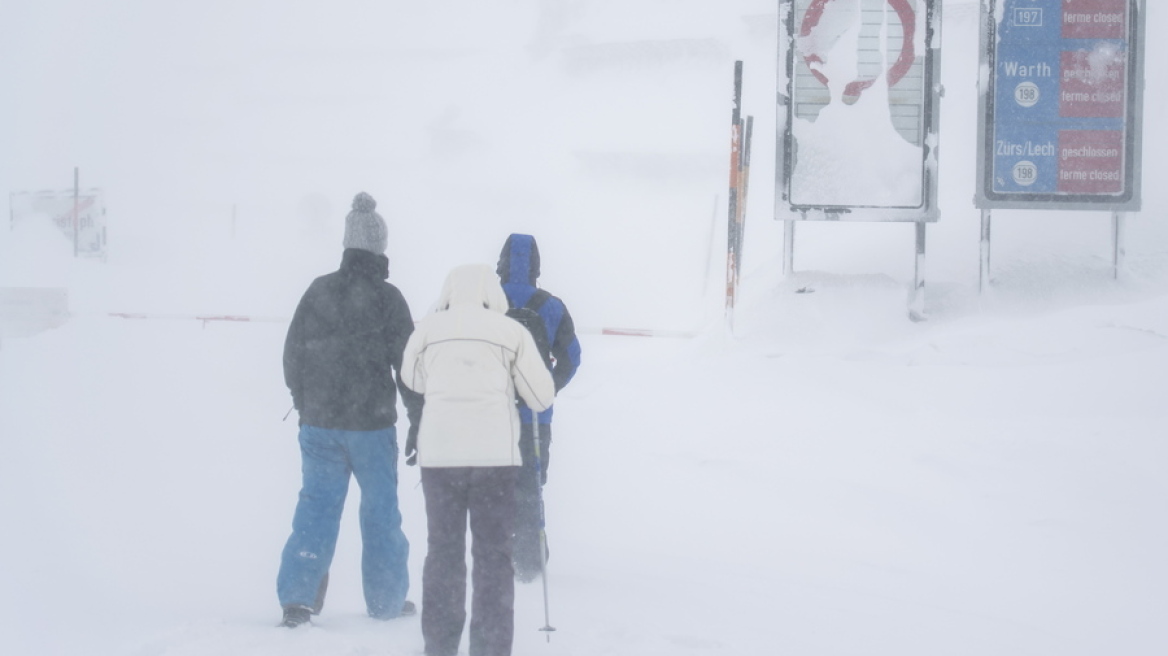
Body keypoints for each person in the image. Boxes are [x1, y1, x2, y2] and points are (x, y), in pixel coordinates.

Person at [277, 192, 423, 628]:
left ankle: (298, 599)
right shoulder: (390, 299)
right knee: (380, 512)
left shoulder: (318, 291)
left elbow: (291, 356)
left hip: (320, 426)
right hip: (372, 427)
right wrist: (418, 418)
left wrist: (305, 404)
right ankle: (386, 601)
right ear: (380, 248)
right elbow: (410, 367)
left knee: (315, 508)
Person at [401, 264, 555, 656]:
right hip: (494, 462)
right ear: (493, 294)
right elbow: (541, 397)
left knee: (443, 553)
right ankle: (489, 647)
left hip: (439, 459)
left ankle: (439, 645)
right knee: (493, 557)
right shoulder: (511, 332)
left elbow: (413, 380)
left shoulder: (428, 330)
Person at [495, 233, 581, 580]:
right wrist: (548, 388)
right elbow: (571, 358)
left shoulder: (487, 302)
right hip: (535, 415)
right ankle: (529, 561)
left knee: (493, 484)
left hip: (491, 411)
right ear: (536, 266)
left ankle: (494, 555)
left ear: (500, 263)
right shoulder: (551, 305)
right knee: (530, 485)